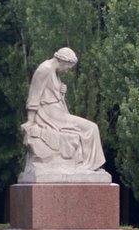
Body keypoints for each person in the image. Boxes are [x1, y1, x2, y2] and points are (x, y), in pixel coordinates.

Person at [20, 47, 107, 177]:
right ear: (63, 61)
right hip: (50, 115)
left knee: (91, 127)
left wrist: (62, 93)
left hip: (58, 113)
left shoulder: (54, 72)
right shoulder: (45, 69)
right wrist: (31, 121)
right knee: (91, 128)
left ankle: (89, 166)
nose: (67, 70)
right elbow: (34, 96)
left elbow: (52, 94)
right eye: (68, 67)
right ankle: (88, 166)